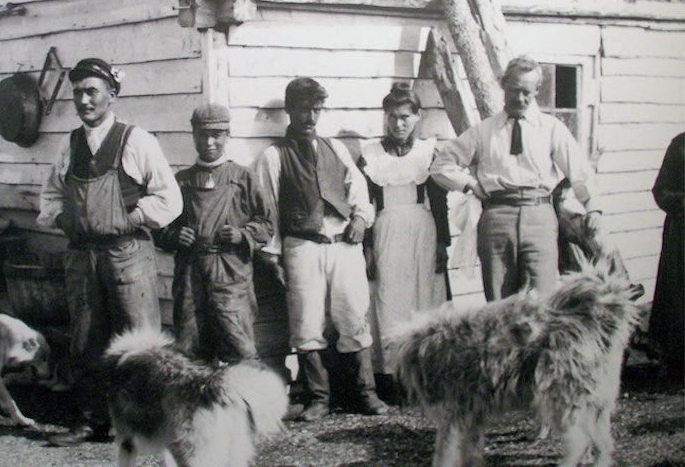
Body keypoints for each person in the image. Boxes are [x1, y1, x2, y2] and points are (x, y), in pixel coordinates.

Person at [37, 58, 182, 445]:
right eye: (78, 93)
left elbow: (170, 199)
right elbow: (50, 195)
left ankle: (148, 422)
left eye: (92, 92)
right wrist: (60, 219)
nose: (84, 100)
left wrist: (130, 217)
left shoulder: (136, 140)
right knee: (86, 340)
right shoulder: (68, 145)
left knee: (138, 340)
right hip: (82, 257)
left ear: (111, 95)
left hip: (127, 255)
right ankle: (92, 421)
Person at [255, 77, 387, 421]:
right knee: (306, 322)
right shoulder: (273, 156)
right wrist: (273, 255)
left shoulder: (336, 148)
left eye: (316, 109)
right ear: (289, 110)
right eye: (303, 109)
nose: (310, 117)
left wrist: (360, 219)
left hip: (343, 244)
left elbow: (358, 191)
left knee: (353, 314)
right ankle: (318, 398)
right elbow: (267, 209)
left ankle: (364, 393)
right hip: (302, 246)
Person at [430, 55, 601, 301]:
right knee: (500, 302)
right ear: (502, 85)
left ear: (537, 91)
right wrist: (470, 184)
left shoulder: (551, 128)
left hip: (539, 215)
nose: (520, 98)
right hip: (497, 218)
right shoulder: (483, 131)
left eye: (527, 92)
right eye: (514, 90)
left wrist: (592, 208)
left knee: (540, 301)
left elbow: (580, 171)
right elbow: (441, 165)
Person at [156, 103, 273, 364]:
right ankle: (200, 403)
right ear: (193, 135)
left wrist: (243, 235)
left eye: (217, 134)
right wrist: (175, 236)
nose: (209, 142)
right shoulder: (181, 181)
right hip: (190, 273)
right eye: (202, 134)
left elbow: (267, 223)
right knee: (190, 347)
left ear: (227, 135)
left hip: (230, 272)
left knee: (239, 345)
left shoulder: (244, 177)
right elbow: (160, 227)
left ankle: (246, 402)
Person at [357, 82, 451, 402]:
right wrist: (366, 247)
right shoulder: (370, 155)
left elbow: (439, 203)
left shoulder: (428, 152)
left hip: (422, 231)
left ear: (417, 118)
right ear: (386, 117)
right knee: (388, 301)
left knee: (423, 299)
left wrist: (443, 244)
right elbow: (364, 204)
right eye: (393, 117)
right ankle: (391, 380)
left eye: (406, 117)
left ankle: (427, 376)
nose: (399, 124)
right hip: (386, 229)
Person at [648, 132, 684, 380]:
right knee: (679, 296)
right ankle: (677, 360)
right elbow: (661, 190)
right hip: (682, 234)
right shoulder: (680, 145)